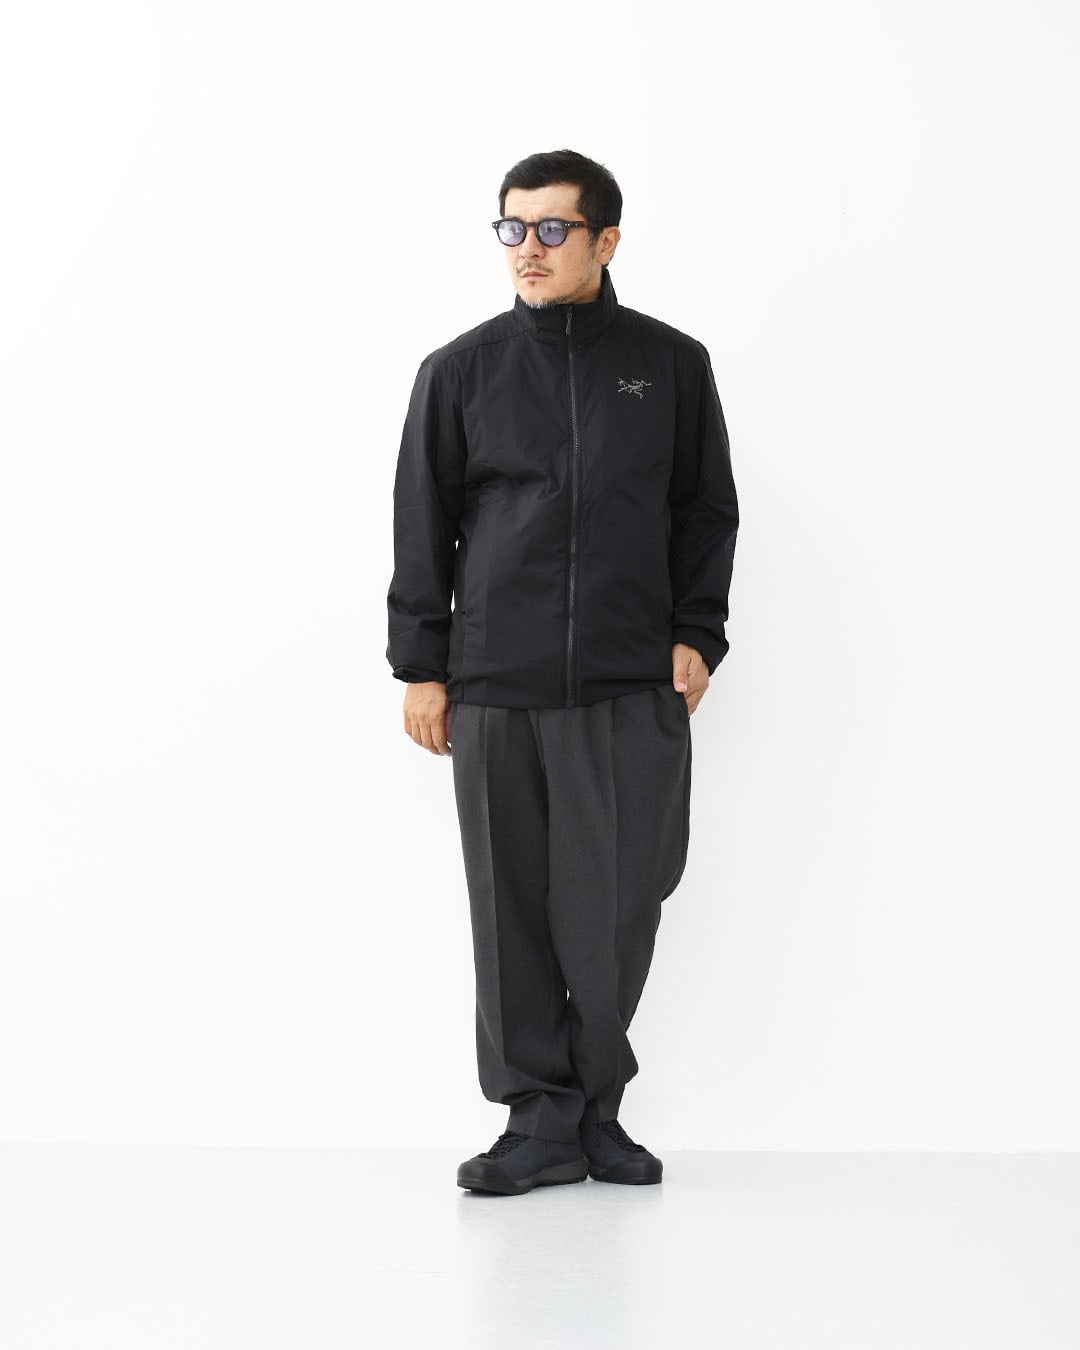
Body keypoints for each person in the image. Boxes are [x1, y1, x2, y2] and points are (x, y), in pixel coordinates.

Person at [386, 149, 738, 1196]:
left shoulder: (670, 365)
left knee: (623, 901)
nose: (528, 249)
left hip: (630, 683)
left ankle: (596, 1108)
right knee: (512, 909)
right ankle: (537, 1120)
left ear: (606, 240)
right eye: (513, 228)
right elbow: (423, 524)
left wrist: (697, 631)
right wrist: (422, 666)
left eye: (552, 229)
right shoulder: (460, 371)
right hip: (497, 682)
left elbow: (704, 509)